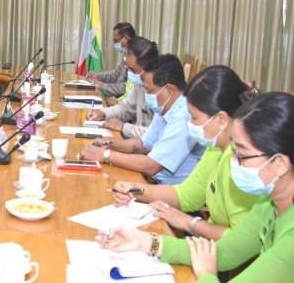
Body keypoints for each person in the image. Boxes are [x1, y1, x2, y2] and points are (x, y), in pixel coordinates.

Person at [98, 92, 294, 283]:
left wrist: (205, 274)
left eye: (241, 155)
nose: (233, 162)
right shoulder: (271, 202)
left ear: (279, 163)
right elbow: (224, 253)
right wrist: (144, 242)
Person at [111, 66, 260, 239]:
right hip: (207, 243)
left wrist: (189, 222)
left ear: (221, 120)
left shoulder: (246, 165)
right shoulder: (216, 148)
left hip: (222, 251)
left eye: (194, 117)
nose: (189, 123)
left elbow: (242, 241)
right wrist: (134, 189)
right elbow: (186, 195)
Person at [80, 54, 204, 184]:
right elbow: (142, 145)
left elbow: (152, 166)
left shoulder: (185, 115)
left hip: (171, 189)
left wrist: (106, 155)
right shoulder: (165, 107)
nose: (147, 96)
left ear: (169, 89)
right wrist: (108, 144)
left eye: (150, 91)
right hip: (154, 180)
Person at [86, 36, 157, 139]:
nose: (129, 73)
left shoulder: (162, 91)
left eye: (132, 70)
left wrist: (124, 127)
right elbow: (125, 108)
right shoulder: (140, 84)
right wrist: (103, 113)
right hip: (136, 141)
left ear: (147, 67)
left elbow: (156, 135)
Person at [87, 22, 135, 99]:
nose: (115, 43)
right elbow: (116, 74)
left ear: (126, 38)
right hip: (117, 100)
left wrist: (103, 86)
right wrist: (97, 76)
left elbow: (127, 88)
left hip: (124, 102)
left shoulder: (136, 57)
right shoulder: (126, 54)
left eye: (116, 40)